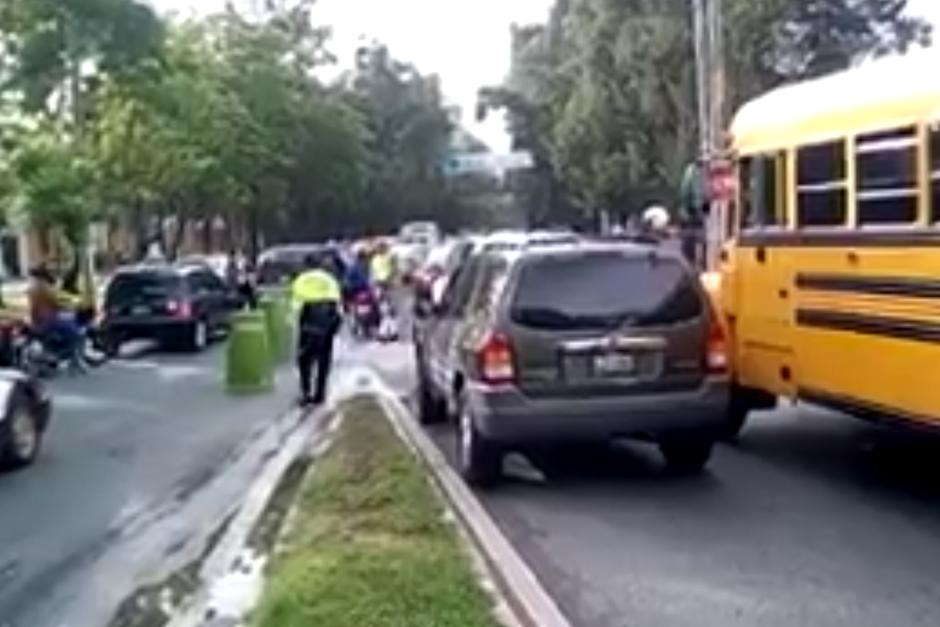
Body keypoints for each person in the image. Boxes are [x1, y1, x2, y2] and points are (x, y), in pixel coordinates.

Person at [291, 253, 342, 407]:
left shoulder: (301, 280)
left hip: (310, 318)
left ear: (306, 265)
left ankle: (306, 393)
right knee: (324, 358)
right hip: (329, 317)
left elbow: (296, 306)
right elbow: (337, 301)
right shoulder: (329, 279)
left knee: (304, 359)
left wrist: (296, 324)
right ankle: (320, 394)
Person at [27, 265, 84, 371]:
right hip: (50, 319)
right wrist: (71, 305)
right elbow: (57, 301)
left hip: (38, 320)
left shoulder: (31, 289)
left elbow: (34, 308)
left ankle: (59, 355)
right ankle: (68, 358)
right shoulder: (45, 287)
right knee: (75, 333)